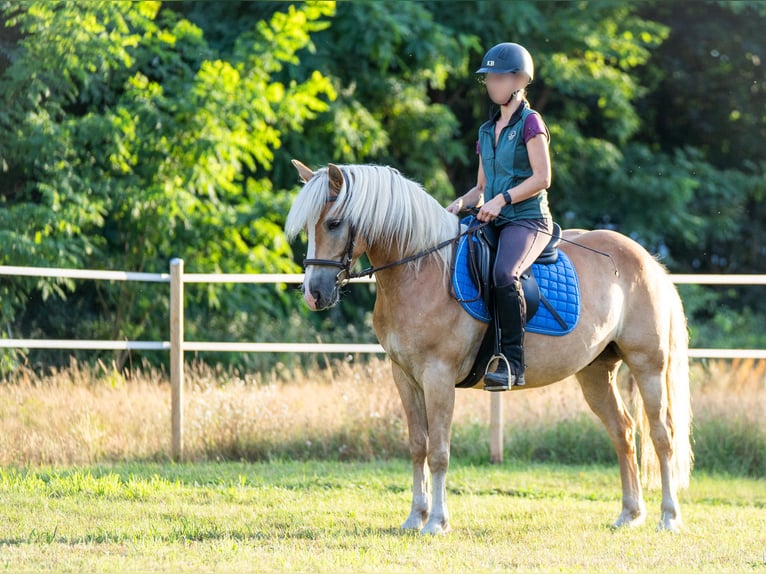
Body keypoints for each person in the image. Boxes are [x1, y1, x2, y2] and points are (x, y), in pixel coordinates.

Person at [447, 42, 553, 391]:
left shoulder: (530, 122)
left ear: (519, 79)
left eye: (497, 77)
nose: (491, 83)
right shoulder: (485, 130)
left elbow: (542, 178)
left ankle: (511, 362)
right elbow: (480, 188)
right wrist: (458, 205)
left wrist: (503, 199)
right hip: (494, 217)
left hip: (527, 219)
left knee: (505, 274)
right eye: (488, 78)